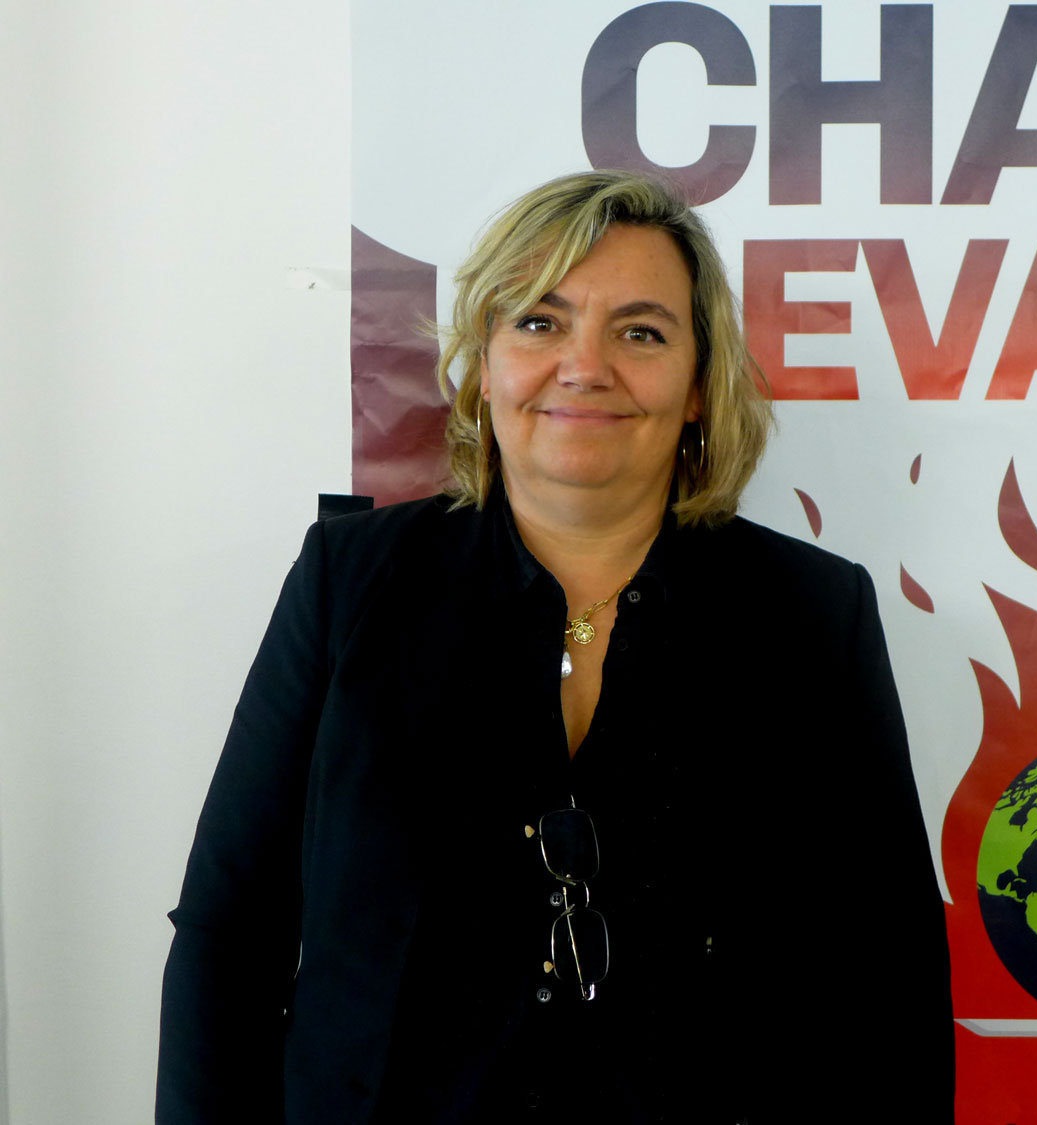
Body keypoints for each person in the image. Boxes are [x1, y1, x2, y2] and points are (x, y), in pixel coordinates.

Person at [158, 170, 954, 1123]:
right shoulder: (348, 583)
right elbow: (229, 934)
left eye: (642, 331)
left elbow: (888, 973)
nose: (585, 364)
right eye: (539, 321)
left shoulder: (814, 614)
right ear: (482, 363)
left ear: (700, 386)